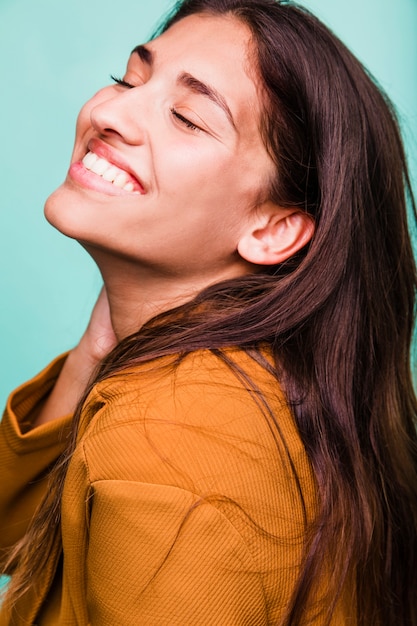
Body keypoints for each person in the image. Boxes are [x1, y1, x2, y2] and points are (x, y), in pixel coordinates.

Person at [1, 0, 416, 623]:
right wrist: (98, 350)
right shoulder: (239, 390)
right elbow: (26, 542)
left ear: (274, 229)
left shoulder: (169, 440)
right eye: (128, 79)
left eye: (187, 117)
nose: (109, 112)